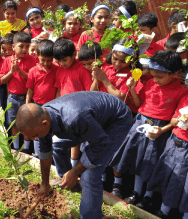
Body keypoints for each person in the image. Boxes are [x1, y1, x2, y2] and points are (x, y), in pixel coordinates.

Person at [16, 91, 132, 219]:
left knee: (89, 176)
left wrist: (76, 171)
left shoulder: (73, 118)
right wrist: (45, 183)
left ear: (44, 124)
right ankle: (70, 182)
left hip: (115, 121)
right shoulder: (43, 116)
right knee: (58, 146)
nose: (33, 139)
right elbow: (45, 151)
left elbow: (101, 144)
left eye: (34, 135)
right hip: (90, 119)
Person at [110, 50, 188, 206]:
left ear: (175, 73)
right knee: (136, 158)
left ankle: (146, 196)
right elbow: (139, 104)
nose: (156, 79)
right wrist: (132, 88)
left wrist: (161, 130)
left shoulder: (181, 92)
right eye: (154, 75)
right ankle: (129, 190)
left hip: (159, 130)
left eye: (160, 76)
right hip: (140, 123)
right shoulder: (150, 82)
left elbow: (176, 120)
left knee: (150, 163)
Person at [142, 95, 188, 218]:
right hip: (175, 142)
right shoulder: (186, 99)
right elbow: (173, 121)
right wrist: (180, 118)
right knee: (168, 176)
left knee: (185, 186)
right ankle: (162, 211)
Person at [53, 37, 93, 176]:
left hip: (79, 111)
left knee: (77, 142)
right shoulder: (60, 70)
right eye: (59, 61)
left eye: (65, 60)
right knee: (62, 141)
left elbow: (89, 92)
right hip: (64, 110)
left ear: (74, 55)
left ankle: (74, 168)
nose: (62, 64)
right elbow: (59, 89)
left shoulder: (82, 69)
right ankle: (66, 170)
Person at [0, 32, 37, 151]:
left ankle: (26, 149)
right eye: (21, 46)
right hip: (12, 98)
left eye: (27, 46)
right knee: (13, 124)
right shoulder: (7, 60)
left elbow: (32, 79)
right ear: (13, 47)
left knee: (26, 124)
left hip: (26, 97)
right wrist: (11, 71)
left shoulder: (32, 60)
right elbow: (2, 80)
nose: (24, 49)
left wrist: (19, 71)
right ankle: (15, 148)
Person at [26, 40, 57, 153]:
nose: (46, 63)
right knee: (37, 131)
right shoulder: (33, 71)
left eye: (49, 60)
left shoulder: (56, 70)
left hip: (50, 106)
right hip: (37, 105)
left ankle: (49, 154)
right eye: (43, 60)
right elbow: (30, 90)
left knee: (49, 131)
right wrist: (27, 105)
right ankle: (37, 154)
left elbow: (58, 88)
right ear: (37, 56)